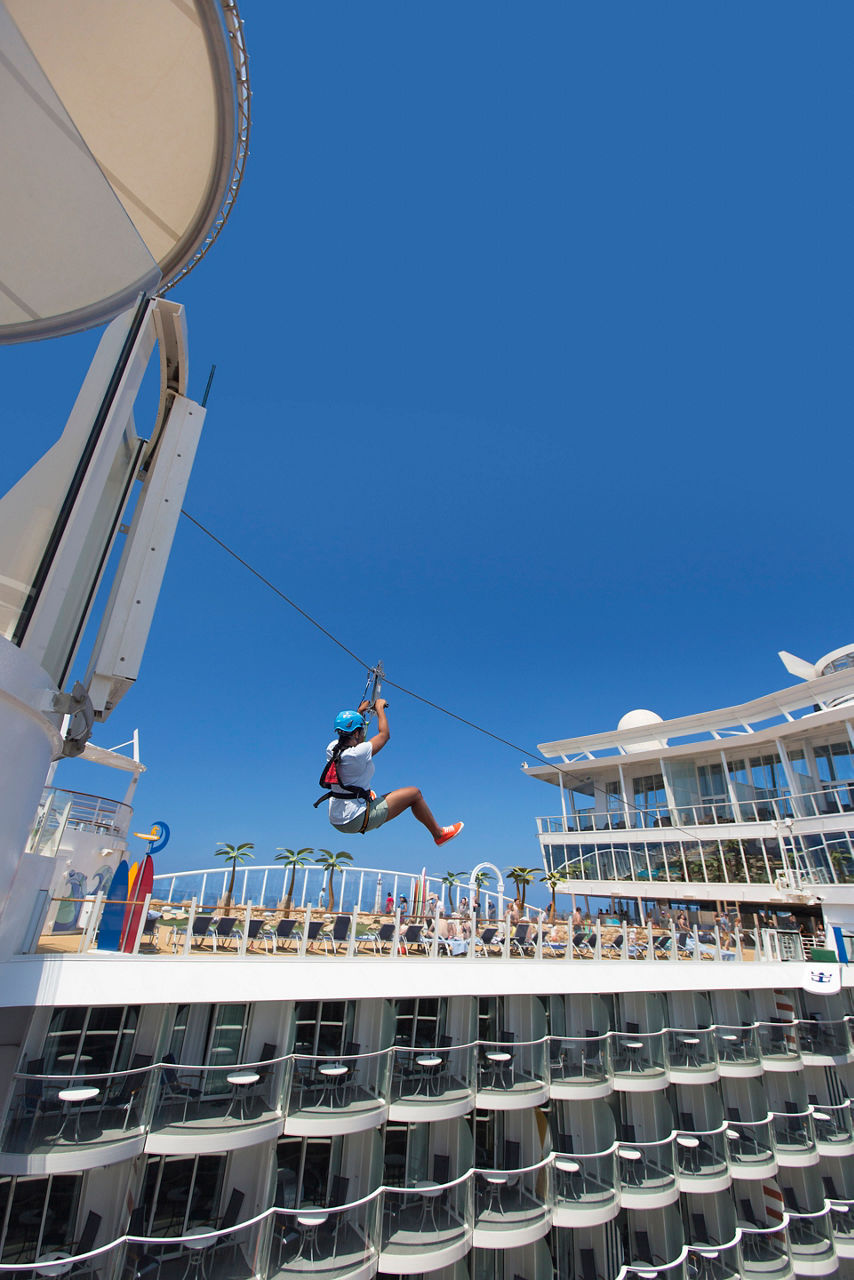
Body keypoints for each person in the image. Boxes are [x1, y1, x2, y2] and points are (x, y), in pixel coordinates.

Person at [323, 700, 463, 844]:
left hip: (336, 818)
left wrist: (360, 713)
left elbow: (358, 741)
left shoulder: (332, 748)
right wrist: (380, 709)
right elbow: (384, 735)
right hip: (354, 819)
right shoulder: (358, 754)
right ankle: (439, 834)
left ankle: (367, 798)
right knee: (414, 794)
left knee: (365, 789)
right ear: (357, 732)